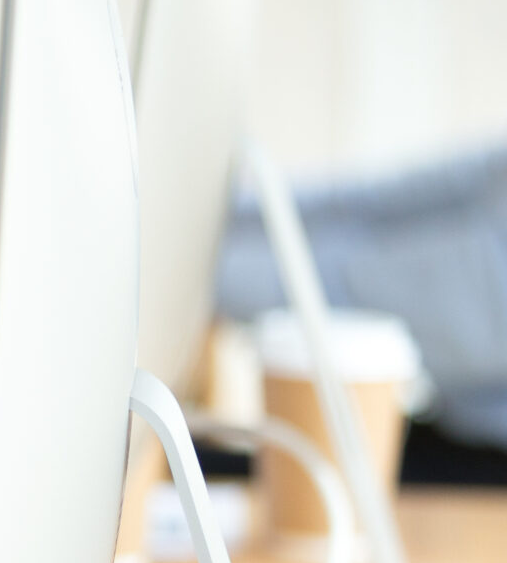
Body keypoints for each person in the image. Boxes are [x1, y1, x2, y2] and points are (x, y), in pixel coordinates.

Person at [217, 138, 507, 481]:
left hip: (474, 460)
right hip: (462, 431)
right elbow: (359, 205)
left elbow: (319, 292)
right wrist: (204, 210)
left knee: (282, 479)